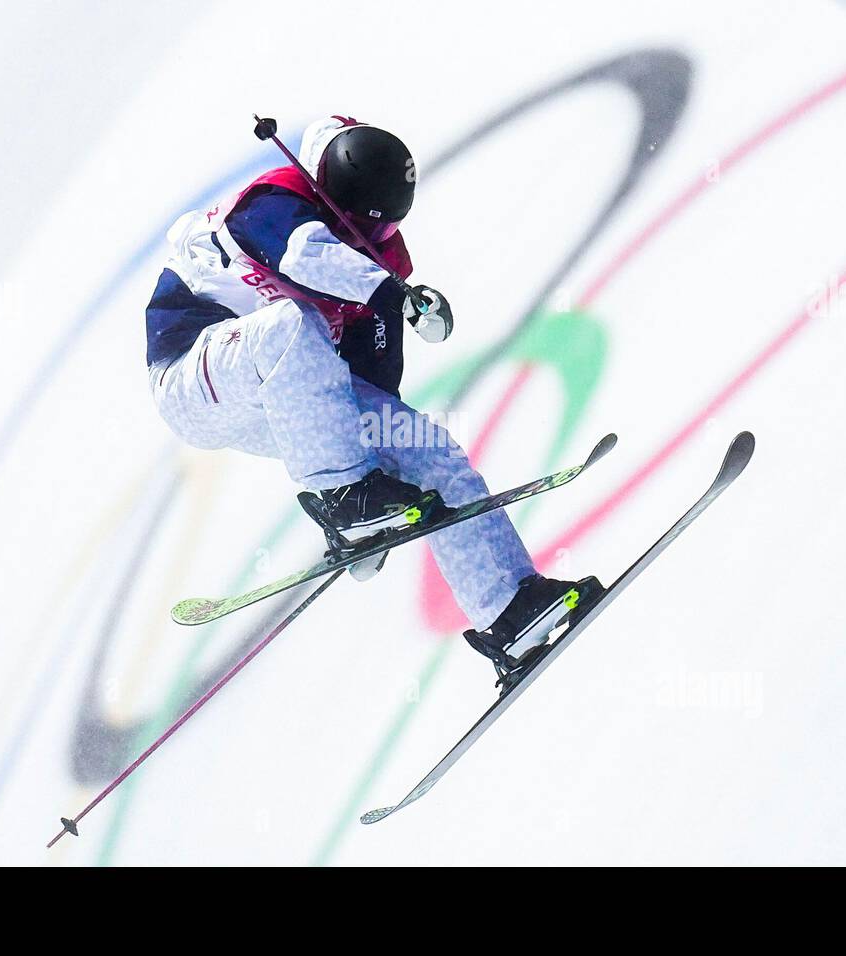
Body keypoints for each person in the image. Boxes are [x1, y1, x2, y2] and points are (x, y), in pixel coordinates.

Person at [145, 115, 600, 685]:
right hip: (196, 376)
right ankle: (341, 498)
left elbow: (372, 383)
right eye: (349, 225)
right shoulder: (274, 201)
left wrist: (388, 470)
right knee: (289, 323)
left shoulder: (378, 265)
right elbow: (301, 252)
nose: (359, 238)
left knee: (425, 448)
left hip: (289, 392)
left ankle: (510, 610)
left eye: (372, 231)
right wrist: (388, 288)